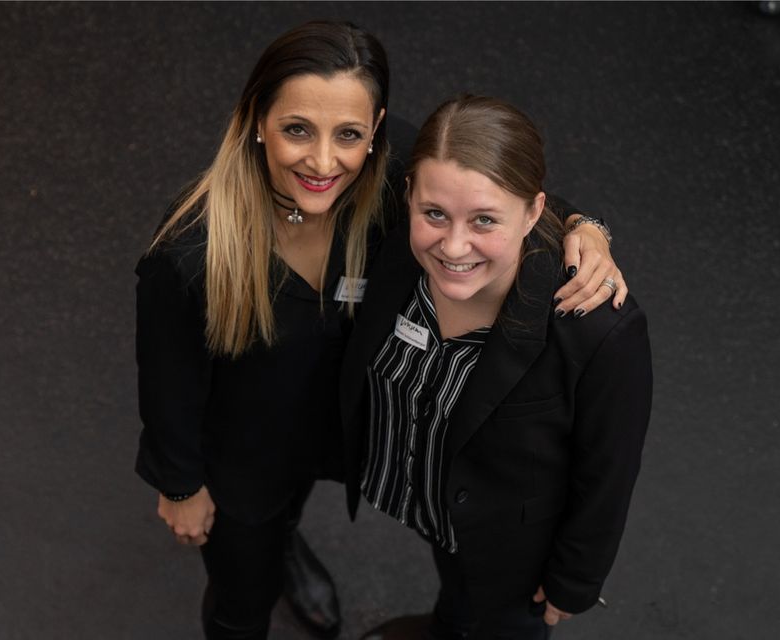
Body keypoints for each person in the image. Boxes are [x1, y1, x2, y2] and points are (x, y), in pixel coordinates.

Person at [135, 22, 623, 640]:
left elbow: (500, 189)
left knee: (302, 515)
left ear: (377, 130)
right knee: (241, 600)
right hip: (245, 452)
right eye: (296, 130)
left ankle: (286, 543)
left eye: (348, 134)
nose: (322, 162)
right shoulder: (189, 250)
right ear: (257, 121)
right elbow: (168, 382)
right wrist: (180, 485)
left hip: (350, 423)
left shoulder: (393, 172)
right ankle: (271, 556)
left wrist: (585, 227)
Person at [340, 95, 653, 640]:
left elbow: (608, 472)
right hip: (435, 507)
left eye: (485, 220)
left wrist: (574, 581)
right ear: (408, 195)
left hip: (513, 556)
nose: (454, 246)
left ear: (533, 213)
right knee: (459, 597)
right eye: (434, 214)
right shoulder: (397, 250)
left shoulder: (597, 329)